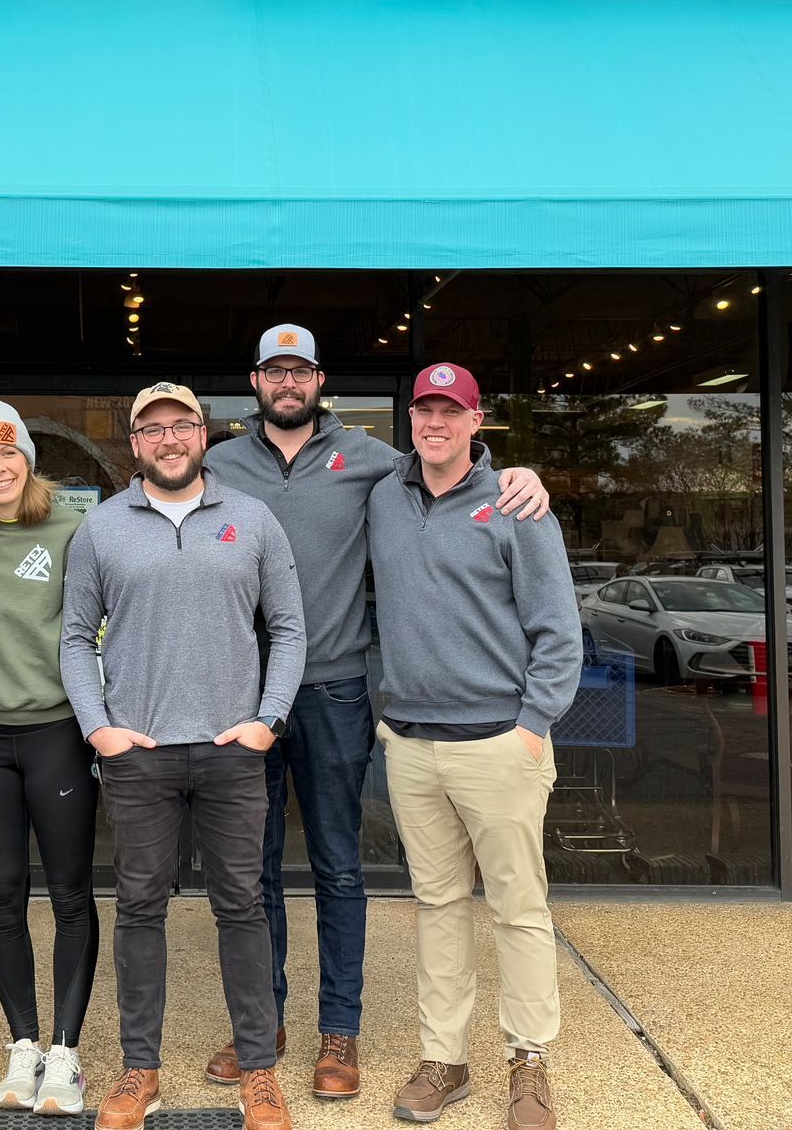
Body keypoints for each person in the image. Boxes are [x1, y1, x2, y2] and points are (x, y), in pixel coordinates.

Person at [203, 325, 552, 1099]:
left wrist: (520, 475)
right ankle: (263, 1025)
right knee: (250, 872)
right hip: (242, 696)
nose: (287, 384)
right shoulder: (218, 464)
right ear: (255, 381)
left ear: (320, 380)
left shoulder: (371, 462)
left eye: (300, 372)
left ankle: (340, 1033)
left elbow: (453, 470)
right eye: (274, 372)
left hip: (333, 690)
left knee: (336, 865)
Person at [59, 382, 307, 1130]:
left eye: (182, 426)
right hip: (140, 754)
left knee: (243, 906)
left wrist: (269, 719)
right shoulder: (101, 530)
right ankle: (141, 1070)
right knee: (139, 909)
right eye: (153, 429)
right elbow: (75, 636)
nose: (169, 439)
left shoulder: (253, 519)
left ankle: (259, 1074)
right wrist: (99, 728)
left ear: (204, 435)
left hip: (234, 753)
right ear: (134, 444)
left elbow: (289, 629)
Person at [366, 364, 582, 1130]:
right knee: (437, 907)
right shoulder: (382, 496)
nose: (435, 422)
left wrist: (532, 725)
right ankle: (444, 1060)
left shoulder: (517, 505)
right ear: (411, 418)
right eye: (424, 408)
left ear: (475, 421)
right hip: (413, 743)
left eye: (450, 412)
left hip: (499, 744)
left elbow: (559, 631)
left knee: (519, 909)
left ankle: (528, 1061)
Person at [0, 401, 97, 1115]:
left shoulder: (73, 527)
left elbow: (110, 616)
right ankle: (23, 1045)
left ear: (28, 460)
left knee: (68, 893)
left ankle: (66, 1054)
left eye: (9, 455)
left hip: (56, 732)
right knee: (1, 893)